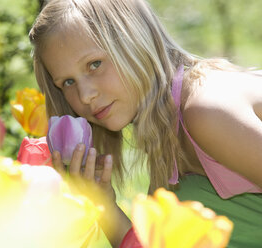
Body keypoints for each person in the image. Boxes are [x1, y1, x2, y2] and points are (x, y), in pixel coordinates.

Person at [29, 0, 262, 247]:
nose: (85, 95)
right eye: (67, 82)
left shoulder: (206, 112)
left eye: (94, 64)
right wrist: (104, 205)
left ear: (134, 41)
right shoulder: (166, 133)